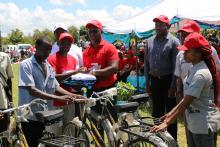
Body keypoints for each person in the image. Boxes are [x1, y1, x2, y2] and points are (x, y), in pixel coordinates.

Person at [151, 32, 220, 147]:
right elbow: (185, 99)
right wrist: (169, 114)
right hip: (195, 122)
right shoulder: (193, 69)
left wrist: (167, 122)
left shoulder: (201, 74)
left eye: (188, 51)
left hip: (203, 124)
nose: (184, 53)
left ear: (198, 54)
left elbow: (187, 101)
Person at [18, 38, 85, 147]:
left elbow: (55, 86)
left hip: (46, 115)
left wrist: (71, 95)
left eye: (49, 50)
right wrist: (58, 98)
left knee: (46, 143)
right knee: (33, 143)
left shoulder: (47, 65)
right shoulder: (26, 65)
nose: (48, 53)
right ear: (36, 48)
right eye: (45, 50)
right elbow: (32, 90)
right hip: (30, 115)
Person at [144, 15, 180, 140]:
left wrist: (173, 86)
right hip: (154, 80)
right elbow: (146, 64)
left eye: (161, 25)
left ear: (168, 26)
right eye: (156, 25)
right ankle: (159, 138)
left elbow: (176, 66)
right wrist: (147, 83)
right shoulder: (149, 41)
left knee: (170, 112)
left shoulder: (174, 42)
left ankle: (172, 139)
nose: (158, 27)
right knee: (156, 111)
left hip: (168, 80)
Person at [83, 20, 119, 137]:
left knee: (112, 122)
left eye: (95, 31)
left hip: (108, 90)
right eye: (90, 31)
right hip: (92, 91)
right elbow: (85, 69)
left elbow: (114, 68)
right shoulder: (86, 51)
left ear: (101, 31)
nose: (92, 34)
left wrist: (94, 72)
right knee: (95, 122)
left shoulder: (109, 47)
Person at [48, 32, 86, 126]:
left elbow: (72, 78)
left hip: (70, 100)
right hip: (56, 101)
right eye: (63, 43)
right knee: (56, 132)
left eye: (68, 43)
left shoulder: (73, 59)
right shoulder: (52, 59)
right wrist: (75, 72)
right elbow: (54, 79)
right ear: (58, 44)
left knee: (70, 129)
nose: (66, 45)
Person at [0, 52, 13, 133]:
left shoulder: (5, 57)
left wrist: (11, 102)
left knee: (4, 133)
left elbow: (8, 81)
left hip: (2, 104)